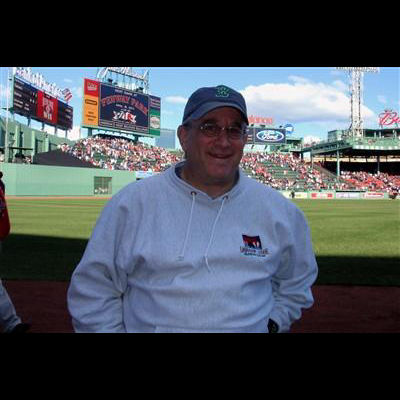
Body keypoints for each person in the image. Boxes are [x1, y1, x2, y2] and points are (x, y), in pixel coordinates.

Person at [67, 85, 318, 333]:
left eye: (234, 130)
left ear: (244, 139)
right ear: (184, 136)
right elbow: (93, 288)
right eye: (210, 127)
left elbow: (296, 282)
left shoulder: (281, 212)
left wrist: (274, 323)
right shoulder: (132, 204)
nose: (223, 142)